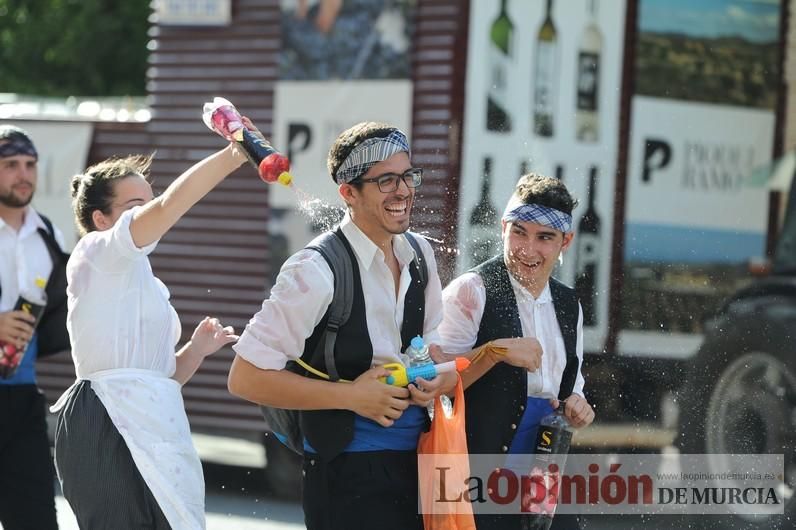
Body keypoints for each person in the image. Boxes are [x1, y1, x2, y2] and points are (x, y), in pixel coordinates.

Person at [228, 122, 456, 530]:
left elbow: (431, 343)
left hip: (426, 456)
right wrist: (350, 396)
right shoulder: (314, 270)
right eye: (386, 180)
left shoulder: (420, 253)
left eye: (408, 176)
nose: (403, 190)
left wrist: (437, 378)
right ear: (349, 193)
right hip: (349, 471)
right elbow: (244, 378)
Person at [51, 140, 245, 529]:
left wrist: (196, 350)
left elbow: (161, 379)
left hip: (157, 421)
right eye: (133, 205)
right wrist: (234, 155)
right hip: (104, 417)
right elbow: (172, 204)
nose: (149, 210)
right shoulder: (95, 251)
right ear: (101, 219)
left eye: (149, 200)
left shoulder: (149, 284)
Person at [438, 173, 595, 529]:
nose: (527, 248)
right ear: (503, 226)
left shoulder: (570, 304)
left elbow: (571, 386)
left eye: (544, 238)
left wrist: (578, 406)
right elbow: (436, 387)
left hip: (545, 477)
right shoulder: (471, 290)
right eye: (519, 231)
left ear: (565, 241)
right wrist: (492, 353)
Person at [0, 125, 69, 530]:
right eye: (10, 165)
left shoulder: (49, 235)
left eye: (30, 164)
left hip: (23, 396)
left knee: (37, 520)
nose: (23, 174)